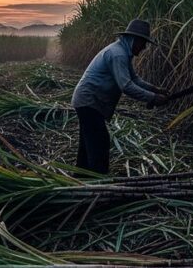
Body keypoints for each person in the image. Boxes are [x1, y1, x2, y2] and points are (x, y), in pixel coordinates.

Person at [70, 19, 167, 174]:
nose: (144, 47)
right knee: (99, 143)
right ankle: (99, 183)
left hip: (88, 102)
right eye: (143, 43)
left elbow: (134, 79)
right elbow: (127, 86)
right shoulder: (118, 55)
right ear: (134, 39)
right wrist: (152, 98)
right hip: (89, 101)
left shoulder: (122, 52)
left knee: (88, 144)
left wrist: (155, 90)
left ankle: (81, 177)